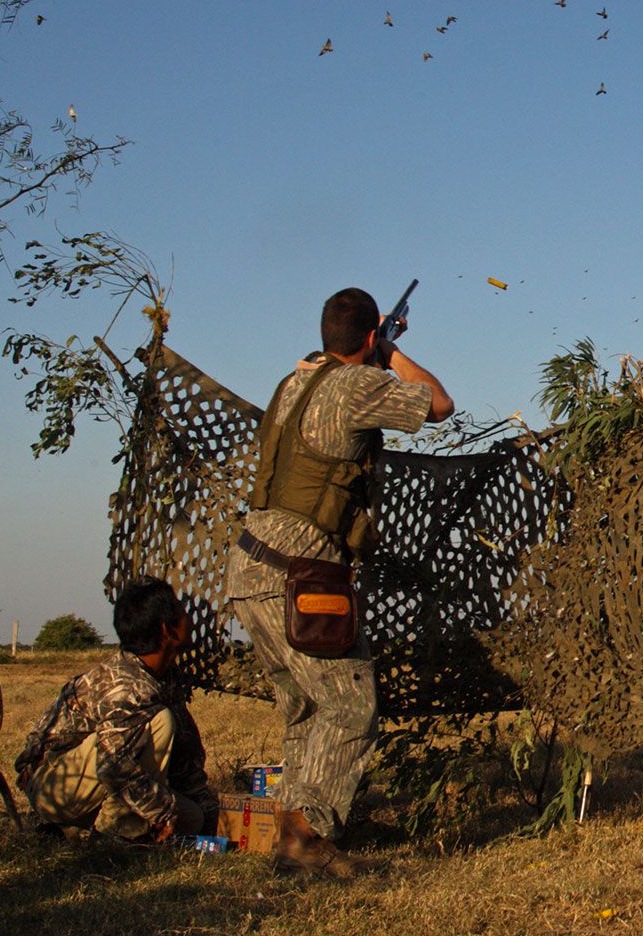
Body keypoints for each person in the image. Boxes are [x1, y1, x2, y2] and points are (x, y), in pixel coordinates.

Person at [226, 286, 452, 877]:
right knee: (352, 706)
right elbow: (438, 404)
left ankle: (293, 842)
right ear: (370, 337)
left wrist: (373, 345)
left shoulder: (294, 381)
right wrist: (393, 352)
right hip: (300, 573)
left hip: (249, 566)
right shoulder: (356, 385)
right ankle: (307, 837)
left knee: (304, 707)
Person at [15, 577, 219, 842]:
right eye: (182, 612)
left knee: (193, 818)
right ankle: (120, 833)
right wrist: (159, 812)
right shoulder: (128, 688)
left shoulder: (163, 676)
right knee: (159, 721)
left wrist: (209, 809)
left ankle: (77, 830)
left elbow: (185, 751)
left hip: (93, 784)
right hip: (55, 785)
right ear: (167, 629)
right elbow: (113, 767)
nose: (190, 619)